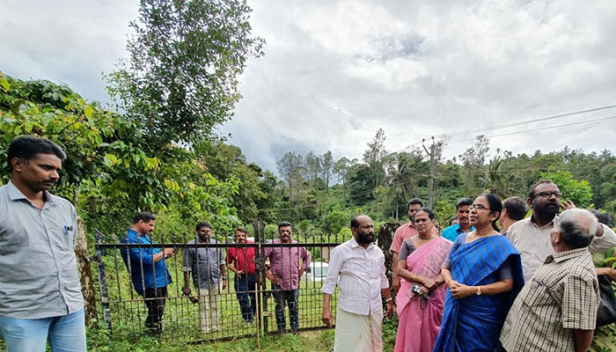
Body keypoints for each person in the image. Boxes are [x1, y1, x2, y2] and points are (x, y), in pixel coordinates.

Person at [0, 136, 86, 351]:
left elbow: (68, 250)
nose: (54, 175)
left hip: (70, 308)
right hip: (24, 311)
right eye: (46, 167)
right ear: (18, 164)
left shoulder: (64, 207)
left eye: (57, 169)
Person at [434, 194, 524, 352]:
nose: (473, 211)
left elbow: (507, 284)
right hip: (455, 305)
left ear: (494, 215)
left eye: (480, 207)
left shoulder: (501, 245)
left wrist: (472, 291)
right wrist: (450, 282)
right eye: (473, 207)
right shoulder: (461, 239)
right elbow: (445, 268)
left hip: (481, 317)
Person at [500, 209, 600, 352]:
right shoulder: (563, 260)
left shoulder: (576, 274)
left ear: (557, 236)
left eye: (553, 228)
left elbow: (583, 328)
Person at [507, 180, 616, 282]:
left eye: (557, 195)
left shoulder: (571, 228)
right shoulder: (516, 229)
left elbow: (610, 241)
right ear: (530, 202)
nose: (553, 197)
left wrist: (579, 216)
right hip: (522, 295)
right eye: (545, 194)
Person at [322, 215, 394, 352]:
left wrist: (389, 300)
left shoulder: (377, 252)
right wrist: (326, 309)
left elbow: (382, 278)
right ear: (354, 231)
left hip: (374, 308)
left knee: (374, 345)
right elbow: (330, 281)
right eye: (366, 227)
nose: (370, 230)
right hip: (350, 310)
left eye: (372, 227)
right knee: (347, 345)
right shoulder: (341, 251)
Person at [394, 208, 452, 352]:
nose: (420, 223)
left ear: (432, 222)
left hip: (436, 296)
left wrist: (432, 284)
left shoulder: (445, 245)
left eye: (423, 220)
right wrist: (422, 281)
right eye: (416, 221)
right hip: (413, 295)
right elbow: (401, 270)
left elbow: (448, 269)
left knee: (434, 333)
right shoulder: (407, 244)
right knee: (412, 332)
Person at [121, 212, 174, 337]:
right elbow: (145, 260)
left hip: (159, 279)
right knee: (155, 310)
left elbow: (154, 256)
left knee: (159, 310)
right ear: (141, 222)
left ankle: (156, 334)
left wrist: (165, 255)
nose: (152, 229)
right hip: (149, 281)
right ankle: (152, 336)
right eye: (150, 225)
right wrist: (164, 251)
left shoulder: (143, 237)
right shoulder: (130, 239)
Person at [264, 221, 311, 332]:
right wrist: (267, 274)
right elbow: (259, 258)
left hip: (294, 282)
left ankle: (295, 328)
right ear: (278, 232)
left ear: (291, 232)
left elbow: (307, 256)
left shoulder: (297, 245)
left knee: (293, 306)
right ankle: (281, 330)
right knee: (280, 307)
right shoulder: (272, 244)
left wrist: (302, 269)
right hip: (278, 282)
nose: (285, 233)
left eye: (287, 231)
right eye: (282, 231)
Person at [183, 222, 227, 333]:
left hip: (216, 280)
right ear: (197, 232)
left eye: (208, 231)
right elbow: (187, 268)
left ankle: (215, 327)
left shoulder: (216, 244)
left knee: (215, 305)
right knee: (204, 306)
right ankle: (205, 329)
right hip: (200, 281)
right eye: (203, 231)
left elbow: (221, 262)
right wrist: (187, 286)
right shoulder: (191, 246)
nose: (205, 233)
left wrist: (224, 278)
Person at [390, 198, 439, 293]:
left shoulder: (434, 231)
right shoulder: (401, 231)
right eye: (411, 210)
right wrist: (395, 277)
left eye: (416, 210)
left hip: (430, 279)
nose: (413, 213)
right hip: (407, 277)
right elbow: (396, 254)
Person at [227, 227, 257, 324]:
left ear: (247, 236)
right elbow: (228, 263)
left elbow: (262, 259)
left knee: (255, 297)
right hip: (241, 277)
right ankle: (248, 319)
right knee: (242, 298)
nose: (240, 237)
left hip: (253, 275)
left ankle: (254, 312)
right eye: (238, 236)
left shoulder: (254, 246)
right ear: (235, 236)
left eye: (243, 235)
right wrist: (235, 271)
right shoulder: (232, 248)